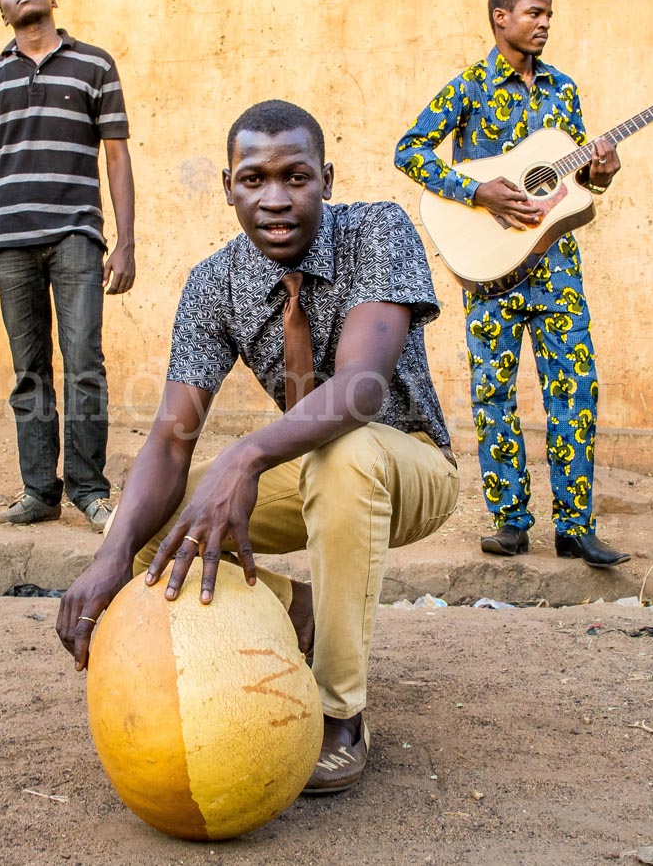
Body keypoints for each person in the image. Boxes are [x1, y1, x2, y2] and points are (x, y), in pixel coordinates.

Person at [56, 100, 459, 794]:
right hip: (306, 465)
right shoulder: (214, 282)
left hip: (408, 462)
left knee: (346, 453)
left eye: (295, 177)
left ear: (326, 179)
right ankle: (296, 611)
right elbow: (171, 435)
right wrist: (108, 556)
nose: (275, 199)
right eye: (254, 179)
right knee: (153, 532)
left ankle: (339, 712)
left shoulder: (378, 230)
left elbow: (362, 388)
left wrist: (245, 456)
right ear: (227, 185)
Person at [394, 0, 630, 569]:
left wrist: (602, 171)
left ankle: (575, 528)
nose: (544, 22)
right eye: (533, 12)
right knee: (494, 396)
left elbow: (574, 180)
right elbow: (410, 151)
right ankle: (510, 523)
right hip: (491, 273)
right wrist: (478, 193)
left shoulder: (564, 90)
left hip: (556, 268)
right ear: (500, 17)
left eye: (549, 13)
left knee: (575, 394)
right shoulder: (469, 89)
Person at [0, 0, 136, 531]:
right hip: (10, 242)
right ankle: (40, 490)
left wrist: (125, 240)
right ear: (3, 14)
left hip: (77, 235)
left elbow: (117, 158)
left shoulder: (95, 64)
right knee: (28, 370)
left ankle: (88, 489)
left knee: (85, 364)